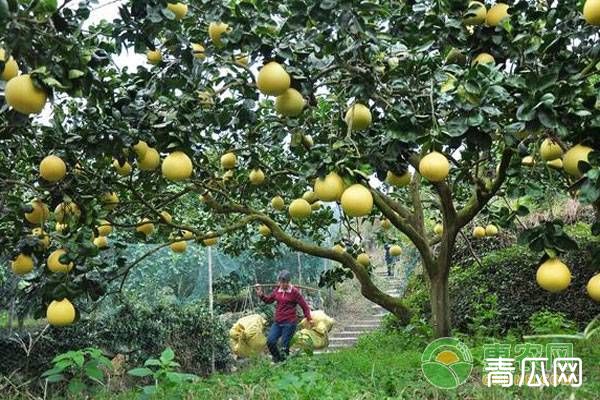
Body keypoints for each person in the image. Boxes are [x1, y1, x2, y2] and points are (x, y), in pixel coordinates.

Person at [255, 270, 312, 362]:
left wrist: (309, 318)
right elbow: (269, 300)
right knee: (270, 341)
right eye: (280, 282)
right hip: (278, 322)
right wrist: (261, 295)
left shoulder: (294, 292)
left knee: (284, 345)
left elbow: (304, 306)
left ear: (288, 282)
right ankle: (278, 359)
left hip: (289, 323)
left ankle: (285, 365)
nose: (281, 284)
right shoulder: (278, 290)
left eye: (283, 282)